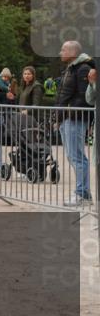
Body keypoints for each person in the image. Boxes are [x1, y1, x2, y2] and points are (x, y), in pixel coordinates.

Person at [55, 40, 95, 207]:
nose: (60, 52)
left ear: (73, 53)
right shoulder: (70, 69)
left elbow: (85, 97)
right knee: (73, 157)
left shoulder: (82, 69)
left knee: (77, 157)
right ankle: (83, 193)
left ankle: (82, 194)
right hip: (67, 118)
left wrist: (68, 112)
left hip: (75, 118)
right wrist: (58, 118)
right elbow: (63, 95)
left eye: (63, 50)